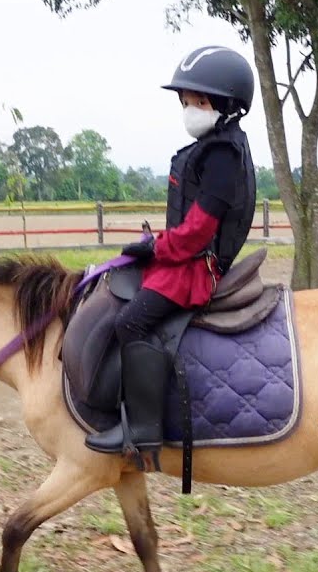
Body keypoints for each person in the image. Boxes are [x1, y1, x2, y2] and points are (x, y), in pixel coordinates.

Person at [84, 45, 259, 472]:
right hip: (184, 258)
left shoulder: (222, 155)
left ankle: (142, 429)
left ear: (227, 105)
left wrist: (156, 248)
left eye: (199, 101)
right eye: (186, 101)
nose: (190, 109)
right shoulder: (211, 147)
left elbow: (199, 230)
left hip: (195, 269)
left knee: (132, 322)